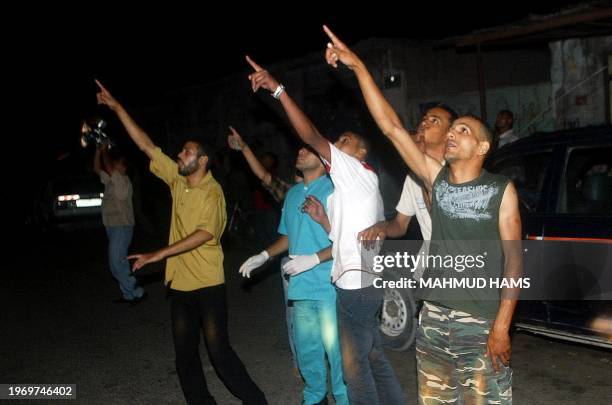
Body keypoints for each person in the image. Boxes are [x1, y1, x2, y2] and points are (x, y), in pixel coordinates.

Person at [324, 25, 522, 404]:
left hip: (479, 322)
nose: (452, 134)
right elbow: (392, 127)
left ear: (482, 146)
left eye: (462, 130)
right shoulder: (434, 180)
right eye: (452, 129)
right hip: (433, 319)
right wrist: (359, 67)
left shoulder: (501, 190)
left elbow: (514, 259)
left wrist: (502, 325)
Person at [95, 79, 268, 405]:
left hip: (207, 284)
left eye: (187, 151)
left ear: (202, 160)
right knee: (184, 355)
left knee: (219, 352)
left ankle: (256, 401)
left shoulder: (212, 192)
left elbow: (205, 234)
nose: (180, 154)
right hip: (181, 286)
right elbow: (146, 145)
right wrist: (117, 107)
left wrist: (159, 253)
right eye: (182, 150)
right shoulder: (178, 179)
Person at [245, 55, 405, 405]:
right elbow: (348, 236)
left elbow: (310, 134)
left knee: (352, 368)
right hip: (358, 282)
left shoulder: (355, 171)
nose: (338, 144)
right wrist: (324, 221)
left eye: (345, 140)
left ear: (360, 152)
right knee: (372, 358)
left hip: (356, 286)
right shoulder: (350, 190)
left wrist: (278, 90)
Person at [238, 144, 348, 405]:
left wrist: (314, 258)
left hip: (330, 286)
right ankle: (314, 398)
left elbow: (347, 239)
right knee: (308, 351)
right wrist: (264, 255)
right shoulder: (294, 194)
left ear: (324, 160)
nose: (300, 151)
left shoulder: (336, 190)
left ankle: (345, 400)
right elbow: (288, 237)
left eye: (308, 149)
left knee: (338, 354)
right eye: (299, 148)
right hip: (301, 287)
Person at [227, 126, 298, 369]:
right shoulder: (293, 194)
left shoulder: (331, 191)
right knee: (294, 319)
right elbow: (264, 178)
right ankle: (301, 364)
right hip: (294, 264)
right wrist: (245, 148)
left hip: (325, 267)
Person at [93, 142, 146, 305]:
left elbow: (108, 167)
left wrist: (104, 152)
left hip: (122, 227)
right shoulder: (111, 181)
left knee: (115, 263)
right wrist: (98, 151)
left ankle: (137, 290)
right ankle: (129, 295)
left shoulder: (123, 181)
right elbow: (97, 169)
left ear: (123, 168)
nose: (113, 165)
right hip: (113, 227)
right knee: (120, 262)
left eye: (117, 164)